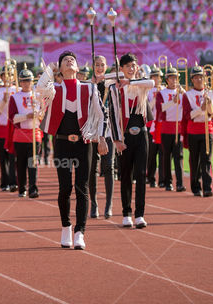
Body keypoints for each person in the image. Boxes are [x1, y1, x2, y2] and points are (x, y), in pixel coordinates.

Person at [34, 51, 109, 250]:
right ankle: (66, 226)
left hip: (84, 145)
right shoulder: (54, 88)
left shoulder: (90, 88)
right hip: (62, 144)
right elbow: (39, 89)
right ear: (61, 68)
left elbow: (102, 115)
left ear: (77, 67)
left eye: (72, 60)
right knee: (65, 187)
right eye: (65, 60)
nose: (69, 62)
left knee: (82, 187)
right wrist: (50, 69)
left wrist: (101, 138)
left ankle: (80, 232)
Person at [110, 53, 156, 229]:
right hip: (125, 136)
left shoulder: (140, 84)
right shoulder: (116, 88)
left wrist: (130, 82)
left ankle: (140, 215)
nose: (131, 68)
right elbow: (113, 116)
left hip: (142, 134)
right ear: (121, 68)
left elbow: (151, 83)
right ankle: (126, 213)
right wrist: (116, 140)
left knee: (141, 175)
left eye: (133, 65)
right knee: (126, 175)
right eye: (127, 66)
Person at [181, 65, 213, 197]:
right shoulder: (187, 95)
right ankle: (195, 187)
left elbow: (212, 114)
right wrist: (201, 109)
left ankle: (207, 187)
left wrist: (208, 106)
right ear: (192, 79)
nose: (198, 79)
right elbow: (187, 115)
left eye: (200, 77)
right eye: (195, 77)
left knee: (207, 159)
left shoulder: (211, 93)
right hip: (193, 131)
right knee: (194, 160)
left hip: (207, 130)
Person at [7, 65, 41, 198]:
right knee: (20, 164)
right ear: (20, 82)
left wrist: (38, 114)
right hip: (20, 135)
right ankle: (22, 187)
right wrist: (26, 116)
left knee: (33, 163)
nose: (27, 83)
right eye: (24, 81)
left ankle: (33, 188)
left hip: (35, 133)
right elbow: (12, 117)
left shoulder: (38, 96)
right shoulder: (14, 97)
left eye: (29, 80)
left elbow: (43, 114)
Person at [88, 55, 115, 219]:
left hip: (109, 131)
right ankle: (94, 204)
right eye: (96, 65)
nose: (99, 67)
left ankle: (109, 204)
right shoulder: (89, 85)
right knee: (92, 170)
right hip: (93, 131)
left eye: (102, 65)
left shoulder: (111, 83)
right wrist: (93, 83)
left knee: (109, 167)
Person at [156, 65, 186, 192]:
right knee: (166, 157)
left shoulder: (182, 92)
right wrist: (173, 101)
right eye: (171, 78)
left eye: (176, 78)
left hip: (178, 128)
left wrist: (183, 93)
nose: (174, 81)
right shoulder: (161, 93)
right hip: (166, 127)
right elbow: (160, 109)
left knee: (179, 156)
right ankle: (168, 182)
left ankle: (180, 183)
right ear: (167, 80)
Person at [0, 65, 17, 192]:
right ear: (1, 77)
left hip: (15, 128)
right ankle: (4, 182)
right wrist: (4, 101)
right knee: (3, 157)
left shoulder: (18, 90)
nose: (8, 78)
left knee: (14, 157)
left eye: (11, 75)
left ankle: (14, 182)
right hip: (2, 128)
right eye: (5, 75)